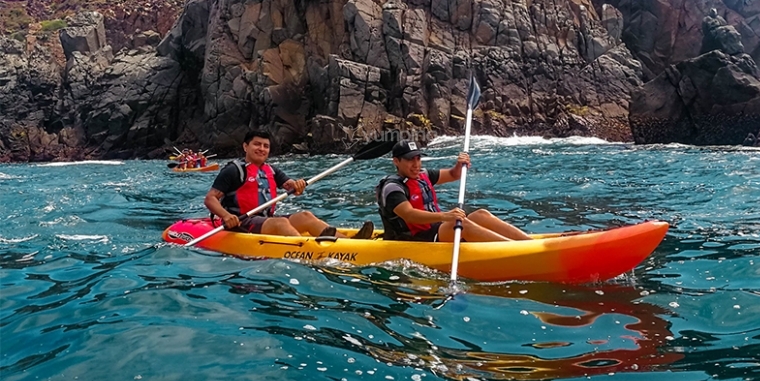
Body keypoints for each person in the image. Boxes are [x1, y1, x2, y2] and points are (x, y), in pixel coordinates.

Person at [205, 130, 373, 238]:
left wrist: (298, 185)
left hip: (265, 220)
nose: (262, 149)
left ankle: (347, 242)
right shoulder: (234, 170)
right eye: (257, 144)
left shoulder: (271, 170)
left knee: (305, 216)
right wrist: (226, 216)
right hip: (242, 223)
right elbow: (210, 199)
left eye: (266, 146)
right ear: (245, 146)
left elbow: (291, 186)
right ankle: (310, 249)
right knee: (281, 223)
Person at [376, 140, 532, 242]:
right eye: (410, 159)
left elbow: (453, 174)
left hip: (437, 229)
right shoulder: (393, 188)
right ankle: (519, 251)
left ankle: (529, 244)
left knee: (481, 214)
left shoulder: (423, 175)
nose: (416, 164)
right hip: (416, 239)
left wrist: (460, 164)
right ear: (396, 161)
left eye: (418, 158)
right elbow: (410, 215)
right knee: (460, 223)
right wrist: (445, 216)